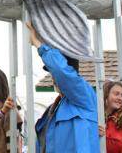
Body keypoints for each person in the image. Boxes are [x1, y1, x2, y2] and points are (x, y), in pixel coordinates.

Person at [27, 23, 99, 153]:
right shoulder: (53, 109)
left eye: (53, 72)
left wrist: (39, 44)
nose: (53, 77)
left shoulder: (84, 95)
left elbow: (62, 71)